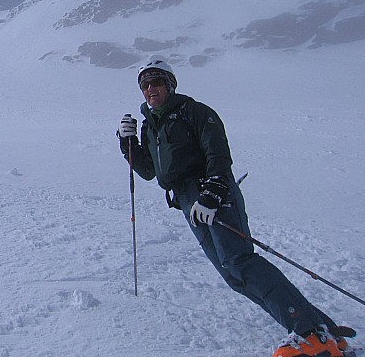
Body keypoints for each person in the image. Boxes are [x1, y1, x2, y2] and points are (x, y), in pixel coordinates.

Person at [117, 59, 354, 357]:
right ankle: (325, 332)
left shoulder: (195, 112)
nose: (150, 89)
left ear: (170, 84)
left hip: (212, 192)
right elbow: (150, 171)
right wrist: (127, 144)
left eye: (156, 82)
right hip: (187, 201)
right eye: (145, 84)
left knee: (240, 262)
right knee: (233, 275)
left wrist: (213, 192)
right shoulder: (151, 127)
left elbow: (217, 152)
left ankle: (309, 334)